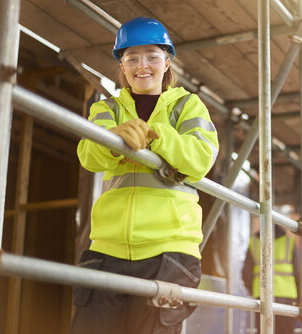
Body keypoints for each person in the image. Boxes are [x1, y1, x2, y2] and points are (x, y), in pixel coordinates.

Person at [72, 16, 219, 334]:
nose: (143, 66)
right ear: (121, 66)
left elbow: (200, 159)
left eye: (152, 56)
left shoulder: (188, 106)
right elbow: (88, 156)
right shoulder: (106, 108)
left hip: (168, 250)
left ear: (167, 62)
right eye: (132, 58)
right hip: (108, 249)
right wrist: (115, 142)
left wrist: (157, 135)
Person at [242, 224, 300, 333]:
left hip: (261, 295)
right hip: (287, 295)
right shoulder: (289, 242)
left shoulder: (254, 242)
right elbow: (299, 273)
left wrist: (253, 290)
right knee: (285, 331)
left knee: (264, 329)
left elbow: (246, 274)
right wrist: (300, 298)